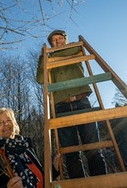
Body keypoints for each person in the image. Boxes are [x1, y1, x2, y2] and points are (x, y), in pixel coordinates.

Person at [36, 30, 107, 179]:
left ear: (66, 40)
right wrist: (43, 56)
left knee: (93, 148)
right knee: (70, 152)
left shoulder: (75, 48)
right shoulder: (48, 59)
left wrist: (55, 55)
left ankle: (102, 183)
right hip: (61, 106)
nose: (58, 42)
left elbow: (78, 48)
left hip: (81, 102)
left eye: (60, 39)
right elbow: (41, 79)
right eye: (54, 40)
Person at [0, 108, 59, 188]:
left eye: (9, 120)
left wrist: (54, 170)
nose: (6, 124)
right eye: (0, 123)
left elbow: (38, 180)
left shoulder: (26, 149)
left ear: (15, 124)